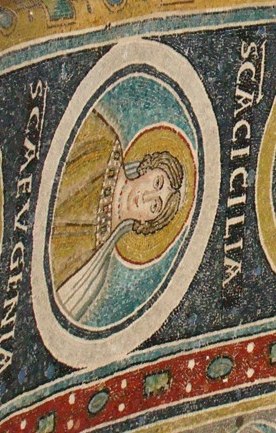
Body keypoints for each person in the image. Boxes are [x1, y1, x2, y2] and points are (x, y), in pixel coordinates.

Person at [51, 110, 184, 321]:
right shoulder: (103, 142)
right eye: (157, 182)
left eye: (155, 206)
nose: (147, 196)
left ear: (147, 222)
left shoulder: (93, 274)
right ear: (148, 168)